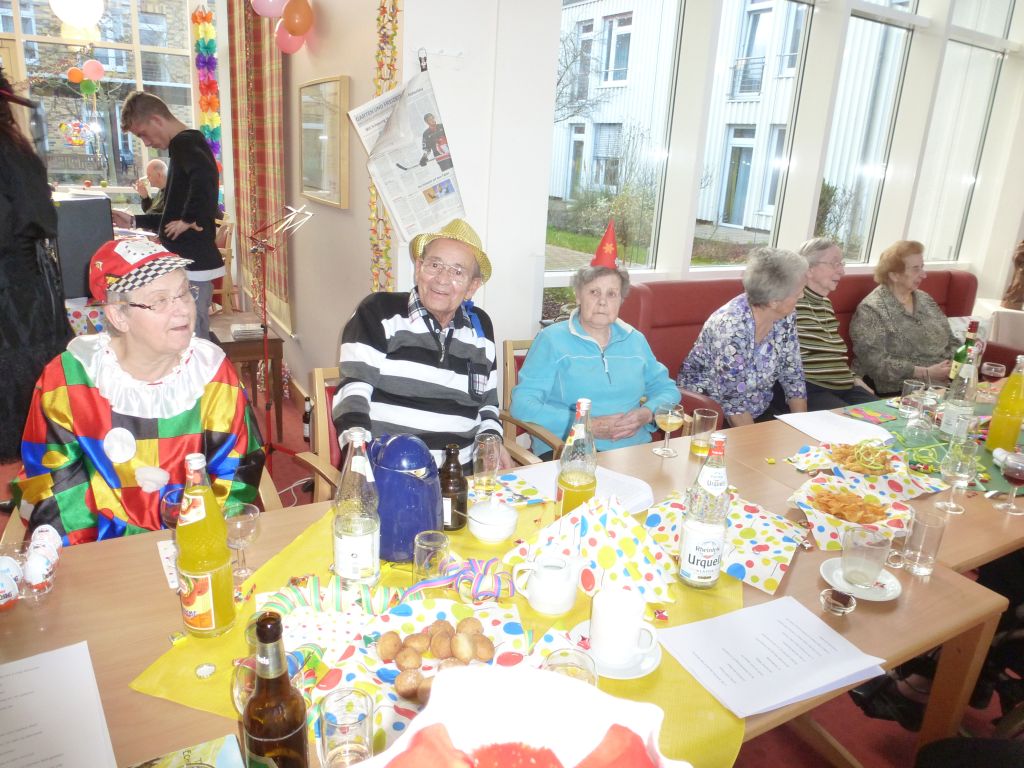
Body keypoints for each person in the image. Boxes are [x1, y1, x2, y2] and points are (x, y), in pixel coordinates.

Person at [17, 239, 265, 546]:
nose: (182, 309)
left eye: (184, 292)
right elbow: (54, 483)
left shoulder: (212, 372)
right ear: (119, 316)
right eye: (159, 301)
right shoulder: (68, 379)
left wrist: (202, 540)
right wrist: (106, 557)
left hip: (197, 539)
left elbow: (237, 470)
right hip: (103, 548)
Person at [333, 218, 510, 470]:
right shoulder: (379, 312)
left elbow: (488, 405)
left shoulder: (480, 327)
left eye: (457, 271)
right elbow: (352, 392)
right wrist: (360, 461)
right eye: (434, 265)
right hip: (389, 470)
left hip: (459, 476)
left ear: (472, 287)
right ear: (418, 268)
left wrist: (491, 442)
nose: (442, 279)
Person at [510, 222, 679, 456]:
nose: (602, 302)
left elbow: (667, 389)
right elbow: (523, 405)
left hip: (634, 451)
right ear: (578, 296)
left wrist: (647, 413)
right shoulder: (551, 340)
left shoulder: (635, 340)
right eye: (594, 292)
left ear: (621, 300)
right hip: (570, 450)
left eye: (612, 294)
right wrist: (584, 424)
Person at [0, 65, 73, 463]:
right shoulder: (16, 152)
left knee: (20, 386)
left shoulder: (9, 153)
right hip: (26, 291)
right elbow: (41, 218)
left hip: (16, 293)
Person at [111, 92, 222, 340]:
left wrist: (189, 218)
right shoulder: (184, 145)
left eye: (143, 134)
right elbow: (170, 215)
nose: (146, 143)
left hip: (193, 265)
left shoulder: (184, 142)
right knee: (190, 333)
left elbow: (206, 177)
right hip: (189, 264)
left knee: (192, 337)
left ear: (156, 120)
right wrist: (134, 221)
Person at [678, 247, 809, 426]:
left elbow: (792, 373)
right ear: (774, 301)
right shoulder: (731, 326)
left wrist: (802, 426)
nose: (802, 295)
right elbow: (733, 404)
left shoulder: (785, 316)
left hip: (756, 409)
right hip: (710, 414)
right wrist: (755, 441)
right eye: (798, 292)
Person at [849, 240, 958, 395]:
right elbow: (875, 363)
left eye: (922, 267)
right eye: (916, 269)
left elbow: (951, 340)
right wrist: (926, 373)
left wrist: (954, 365)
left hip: (944, 384)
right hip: (901, 389)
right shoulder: (871, 309)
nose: (924, 274)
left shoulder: (925, 299)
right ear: (894, 275)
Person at [794, 238, 876, 410]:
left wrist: (853, 377)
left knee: (887, 416)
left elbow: (832, 352)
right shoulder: (790, 302)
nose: (842, 271)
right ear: (809, 268)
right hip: (810, 387)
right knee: (851, 423)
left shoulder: (825, 303)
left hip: (845, 385)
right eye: (834, 263)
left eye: (842, 264)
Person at [1000, 240, 1024, 310]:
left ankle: (1015, 300)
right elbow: (1016, 256)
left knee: (1020, 286)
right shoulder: (1021, 246)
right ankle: (1011, 300)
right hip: (1020, 269)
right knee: (1017, 284)